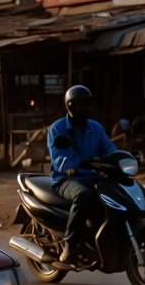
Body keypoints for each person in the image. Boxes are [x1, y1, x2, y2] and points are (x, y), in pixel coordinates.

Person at [48, 85, 118, 269]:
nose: (85, 109)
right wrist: (74, 164)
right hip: (67, 179)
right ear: (70, 106)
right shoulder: (58, 128)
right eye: (80, 105)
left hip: (93, 176)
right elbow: (59, 157)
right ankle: (69, 245)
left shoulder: (95, 127)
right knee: (84, 196)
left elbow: (109, 148)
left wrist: (120, 158)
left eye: (87, 105)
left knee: (117, 191)